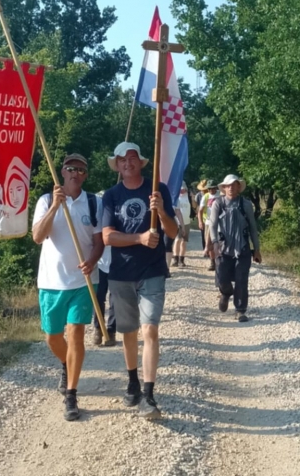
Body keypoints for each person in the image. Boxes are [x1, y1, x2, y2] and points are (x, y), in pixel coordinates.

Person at [101, 141, 178, 420]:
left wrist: (162, 211)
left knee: (150, 330)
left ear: (141, 162)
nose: (127, 163)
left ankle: (149, 394)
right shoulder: (111, 196)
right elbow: (107, 236)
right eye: (122, 159)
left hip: (152, 271)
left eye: (132, 157)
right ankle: (132, 380)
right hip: (121, 273)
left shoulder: (158, 189)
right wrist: (140, 238)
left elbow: (173, 231)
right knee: (129, 332)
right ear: (117, 166)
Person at [31, 153, 104, 421]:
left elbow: (99, 241)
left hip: (83, 281)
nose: (75, 173)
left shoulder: (94, 202)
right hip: (51, 282)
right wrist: (55, 207)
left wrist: (92, 261)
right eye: (71, 168)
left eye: (81, 170)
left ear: (86, 175)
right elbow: (38, 236)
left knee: (76, 335)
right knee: (52, 337)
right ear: (62, 171)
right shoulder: (45, 200)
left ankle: (71, 395)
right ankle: (66, 363)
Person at [208, 174, 262, 322]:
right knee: (222, 278)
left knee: (241, 279)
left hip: (242, 247)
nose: (231, 188)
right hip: (223, 248)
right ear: (224, 188)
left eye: (234, 185)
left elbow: (252, 227)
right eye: (228, 185)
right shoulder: (218, 203)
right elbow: (213, 225)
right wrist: (214, 242)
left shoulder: (246, 204)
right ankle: (226, 293)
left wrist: (256, 249)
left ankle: (240, 310)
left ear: (239, 187)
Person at [92, 194, 116, 347]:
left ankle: (111, 330)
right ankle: (98, 329)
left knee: (115, 299)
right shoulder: (94, 219)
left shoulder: (116, 217)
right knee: (98, 297)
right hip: (99, 263)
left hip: (117, 263)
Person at [198, 181, 220, 270]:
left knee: (220, 241)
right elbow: (200, 211)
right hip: (208, 222)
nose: (212, 190)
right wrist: (200, 222)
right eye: (210, 188)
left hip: (220, 221)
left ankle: (219, 261)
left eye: (213, 188)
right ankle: (212, 262)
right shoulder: (206, 197)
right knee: (209, 242)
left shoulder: (220, 195)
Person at [172, 183, 193, 267]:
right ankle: (175, 259)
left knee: (184, 241)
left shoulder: (189, 197)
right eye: (180, 189)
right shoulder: (176, 197)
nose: (182, 190)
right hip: (177, 222)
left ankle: (181, 259)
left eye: (183, 189)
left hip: (187, 221)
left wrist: (192, 198)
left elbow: (194, 207)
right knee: (177, 240)